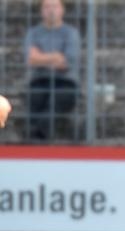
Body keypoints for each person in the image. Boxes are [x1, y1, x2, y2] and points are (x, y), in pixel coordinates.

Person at [24, 0, 80, 140]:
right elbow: (31, 60)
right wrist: (55, 56)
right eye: (47, 6)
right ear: (41, 11)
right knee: (35, 97)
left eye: (55, 6)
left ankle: (37, 136)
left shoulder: (71, 33)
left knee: (59, 99)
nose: (51, 10)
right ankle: (38, 136)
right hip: (39, 79)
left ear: (62, 10)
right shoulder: (33, 33)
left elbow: (67, 62)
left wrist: (41, 58)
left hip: (65, 81)